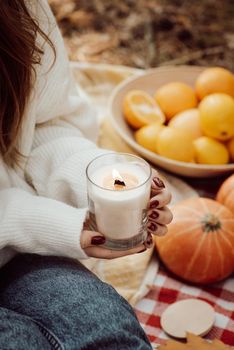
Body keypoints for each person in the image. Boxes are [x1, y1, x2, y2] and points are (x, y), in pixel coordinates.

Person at [0, 1, 172, 349]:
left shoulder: (20, 9)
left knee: (111, 332)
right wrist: (49, 224)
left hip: (12, 251)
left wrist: (99, 183)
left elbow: (46, 121)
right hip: (19, 230)